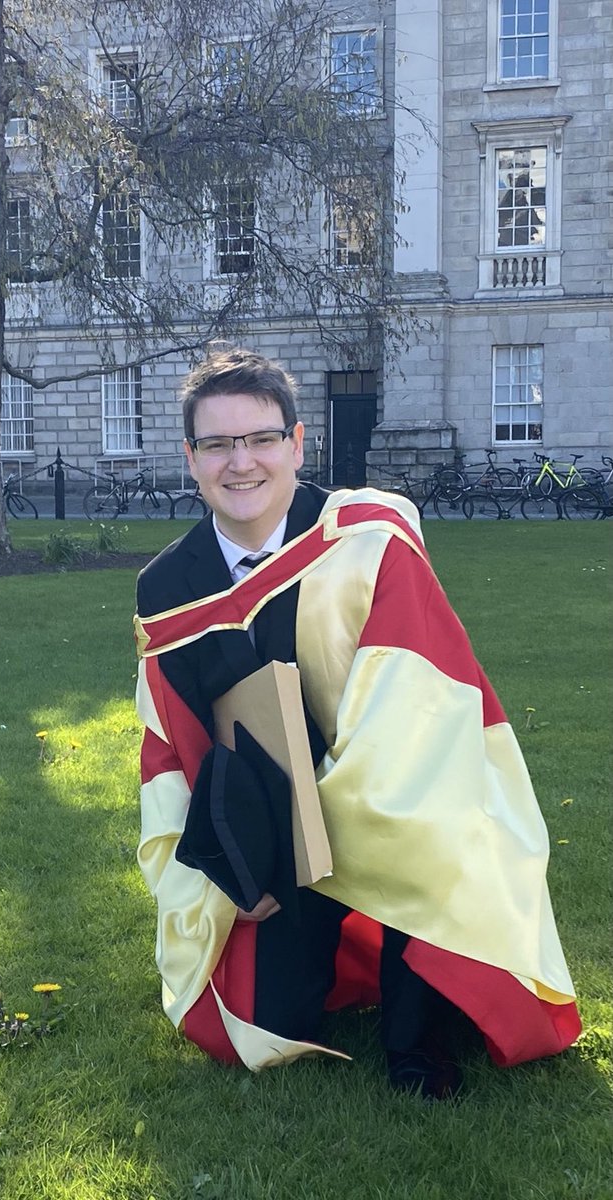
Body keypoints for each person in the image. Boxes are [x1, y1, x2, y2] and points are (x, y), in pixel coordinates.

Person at [134, 346, 580, 1098]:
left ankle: (418, 1042)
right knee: (268, 1024)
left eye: (261, 438)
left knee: (417, 838)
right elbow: (175, 745)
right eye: (217, 444)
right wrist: (234, 862)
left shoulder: (364, 540)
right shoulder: (167, 587)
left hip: (397, 793)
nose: (241, 463)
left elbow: (422, 707)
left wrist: (341, 813)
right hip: (278, 833)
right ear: (191, 458)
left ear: (296, 443)